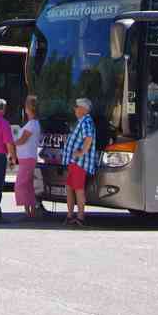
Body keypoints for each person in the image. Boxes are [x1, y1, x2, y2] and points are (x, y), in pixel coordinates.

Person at [62, 97, 97, 227]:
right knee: (70, 188)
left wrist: (82, 152)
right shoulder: (82, 121)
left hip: (80, 162)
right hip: (74, 162)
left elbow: (88, 138)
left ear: (83, 109)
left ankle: (80, 217)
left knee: (78, 189)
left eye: (76, 107)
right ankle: (70, 216)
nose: (75, 109)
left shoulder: (86, 121)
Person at [13, 95, 41, 218]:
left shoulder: (32, 124)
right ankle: (30, 211)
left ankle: (29, 210)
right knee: (28, 185)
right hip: (27, 157)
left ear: (28, 109)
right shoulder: (33, 123)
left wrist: (11, 143)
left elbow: (23, 140)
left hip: (27, 158)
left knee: (21, 184)